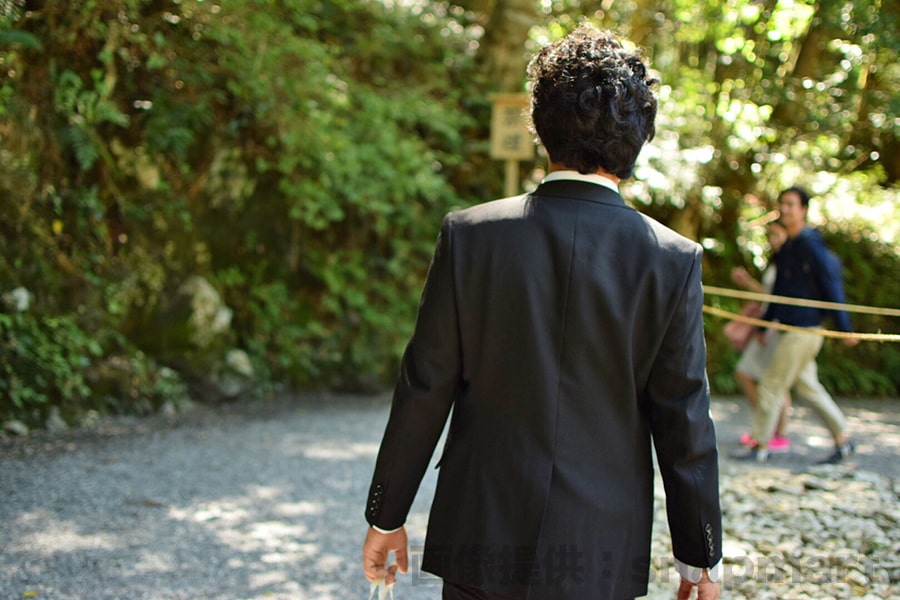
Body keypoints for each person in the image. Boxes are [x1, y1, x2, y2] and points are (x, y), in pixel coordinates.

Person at [362, 25, 721, 600]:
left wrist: (386, 516)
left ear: (541, 127)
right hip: (600, 548)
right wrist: (700, 560)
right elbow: (684, 420)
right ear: (640, 138)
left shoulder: (472, 236)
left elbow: (425, 385)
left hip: (481, 533)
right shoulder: (670, 259)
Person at [734, 186, 859, 464]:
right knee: (808, 388)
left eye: (792, 204)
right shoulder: (788, 247)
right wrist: (764, 326)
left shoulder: (808, 242)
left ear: (803, 210)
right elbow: (779, 291)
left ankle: (760, 445)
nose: (786, 209)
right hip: (792, 329)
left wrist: (844, 327)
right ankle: (844, 439)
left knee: (770, 384)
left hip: (803, 330)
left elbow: (830, 282)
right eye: (783, 204)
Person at [730, 219, 792, 451]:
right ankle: (767, 427)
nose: (774, 240)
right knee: (762, 377)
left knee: (774, 380)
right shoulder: (778, 261)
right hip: (768, 325)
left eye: (777, 235)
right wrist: (747, 282)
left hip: (776, 327)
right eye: (771, 236)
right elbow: (768, 294)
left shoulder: (790, 262)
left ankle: (775, 432)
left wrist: (766, 327)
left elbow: (781, 301)